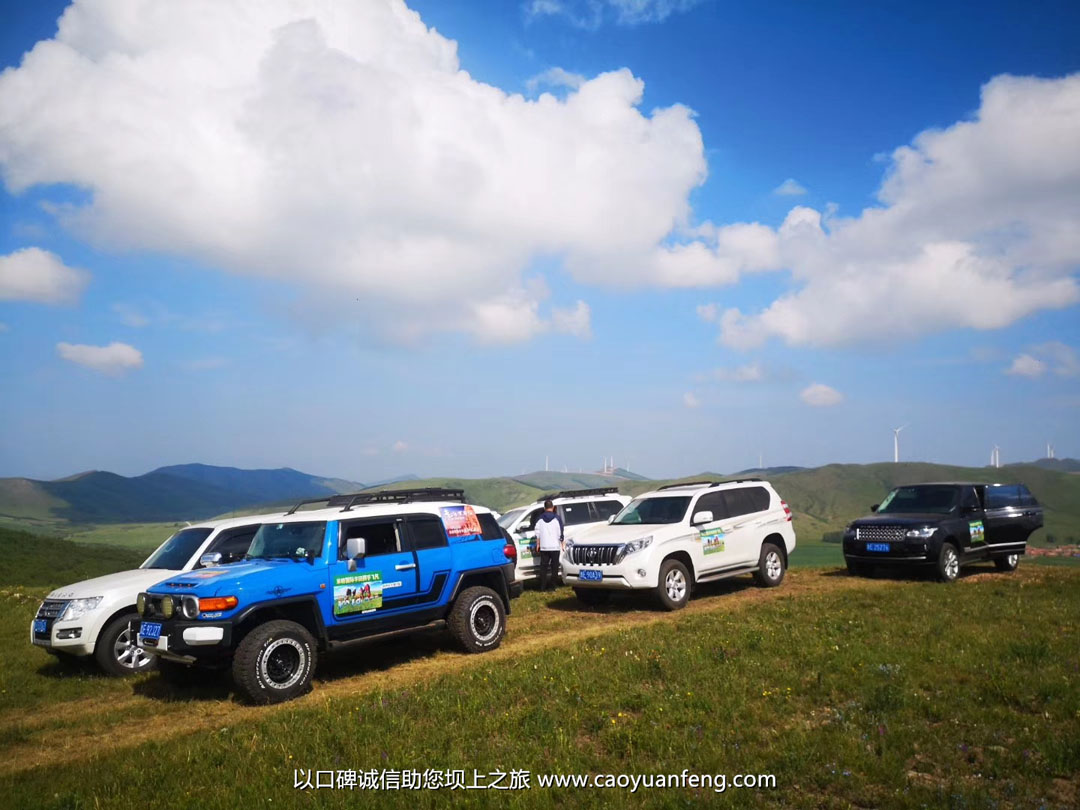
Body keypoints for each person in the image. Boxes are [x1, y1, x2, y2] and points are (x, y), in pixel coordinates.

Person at [533, 499, 564, 591]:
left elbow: (537, 533)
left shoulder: (539, 518)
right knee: (554, 568)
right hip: (555, 547)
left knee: (543, 567)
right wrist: (562, 543)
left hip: (544, 547)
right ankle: (553, 586)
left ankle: (542, 587)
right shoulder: (557, 518)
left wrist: (538, 544)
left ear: (544, 508)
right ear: (553, 507)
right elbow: (560, 532)